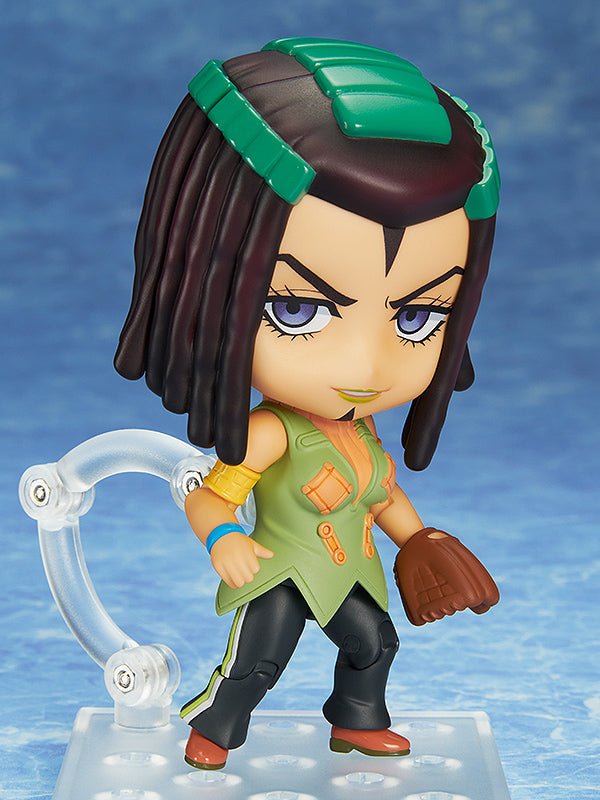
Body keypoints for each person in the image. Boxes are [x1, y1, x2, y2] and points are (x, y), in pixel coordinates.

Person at [115, 37, 500, 770]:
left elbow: (381, 496)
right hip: (282, 569)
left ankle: (356, 719)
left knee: (375, 643)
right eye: (298, 310)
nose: (366, 365)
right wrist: (223, 539)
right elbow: (211, 495)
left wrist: (419, 539)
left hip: (348, 569)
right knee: (257, 663)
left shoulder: (364, 432)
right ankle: (213, 727)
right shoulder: (270, 432)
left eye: (416, 317)